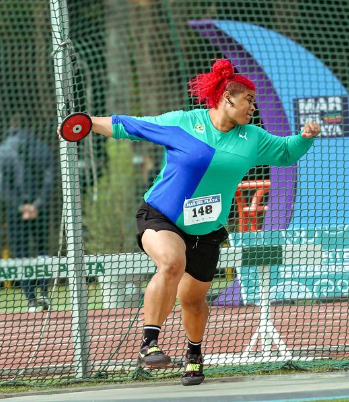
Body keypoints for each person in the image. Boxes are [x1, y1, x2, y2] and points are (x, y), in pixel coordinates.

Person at [58, 59, 321, 386]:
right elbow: (133, 125)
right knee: (171, 262)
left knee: (193, 301)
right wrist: (87, 122)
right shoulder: (184, 122)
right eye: (249, 101)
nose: (253, 108)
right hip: (161, 216)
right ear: (227, 98)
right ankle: (148, 344)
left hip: (207, 230)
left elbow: (285, 152)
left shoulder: (251, 138)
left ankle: (194, 355)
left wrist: (306, 137)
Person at [0, 115, 54, 313]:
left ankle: (31, 300)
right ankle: (44, 293)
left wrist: (21, 207)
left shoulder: (4, 150)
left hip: (17, 212)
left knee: (21, 253)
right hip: (40, 209)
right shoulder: (41, 147)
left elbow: (3, 185)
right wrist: (36, 205)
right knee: (42, 251)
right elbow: (48, 181)